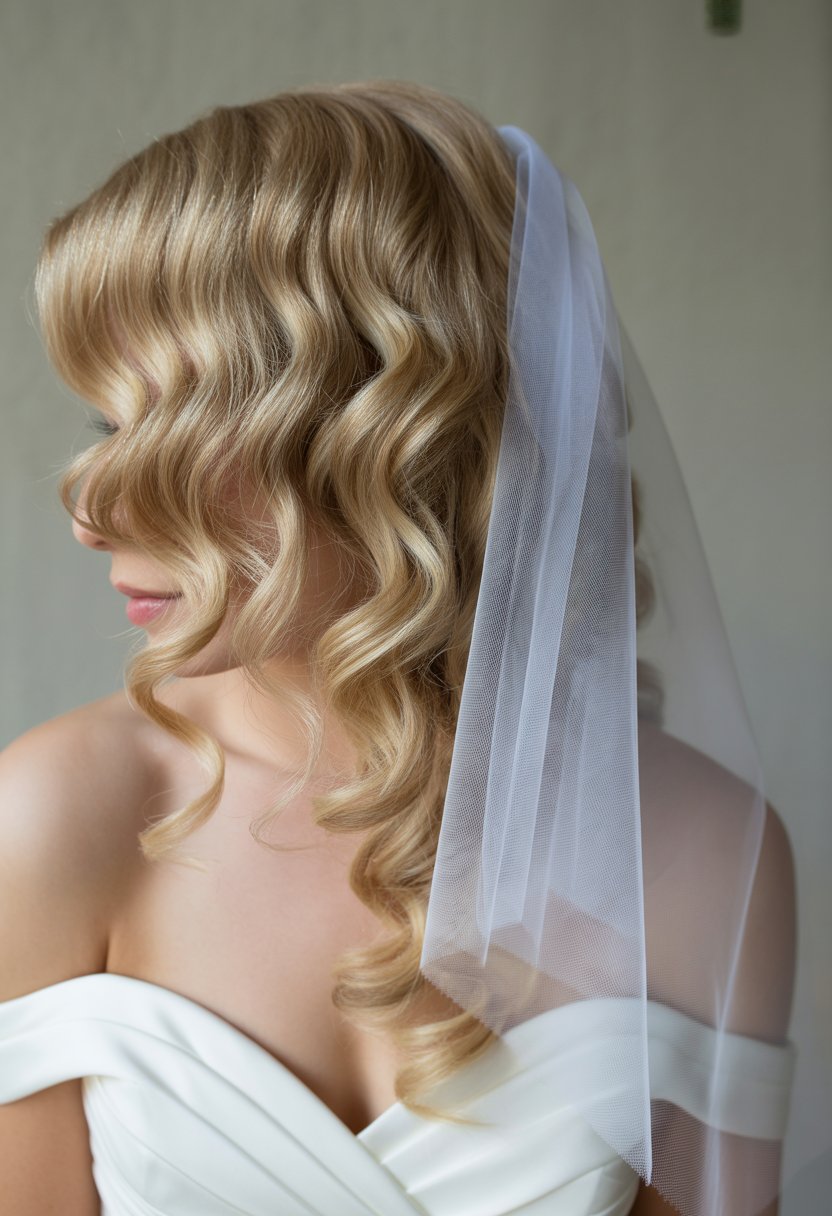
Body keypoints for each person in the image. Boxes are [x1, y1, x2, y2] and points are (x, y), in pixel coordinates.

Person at [0, 78, 825, 1216]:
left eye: (181, 424)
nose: (91, 512)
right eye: (107, 423)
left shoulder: (703, 854)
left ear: (394, 440)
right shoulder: (50, 820)